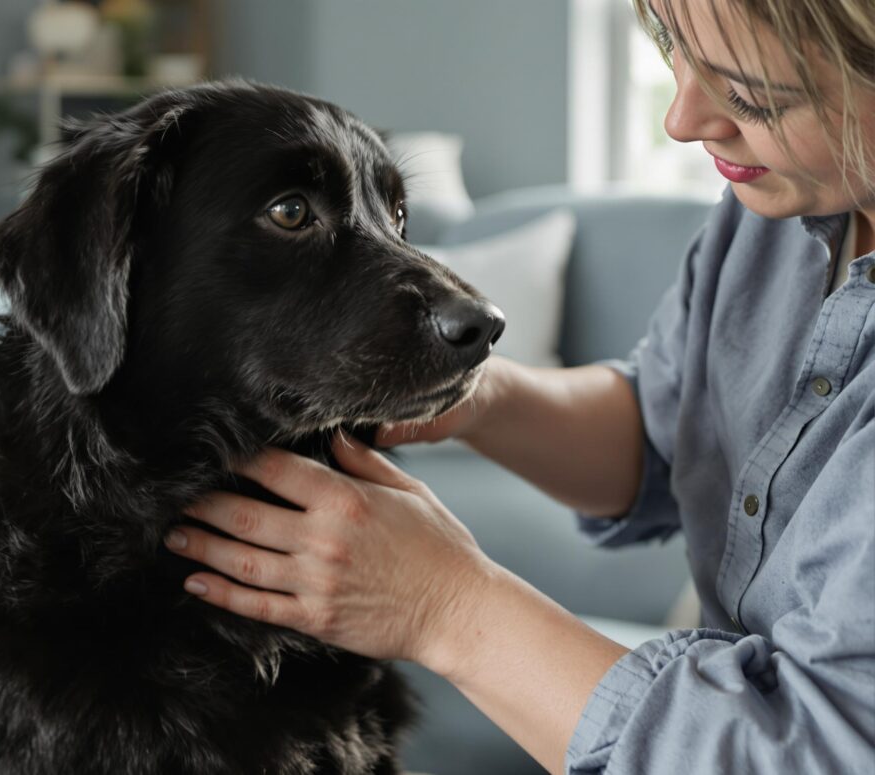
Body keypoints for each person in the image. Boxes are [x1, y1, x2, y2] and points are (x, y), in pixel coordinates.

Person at [162, 0, 875, 772]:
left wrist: (449, 605)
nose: (682, 116)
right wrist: (484, 395)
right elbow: (676, 432)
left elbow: (822, 752)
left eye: (754, 95)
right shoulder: (777, 207)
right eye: (674, 46)